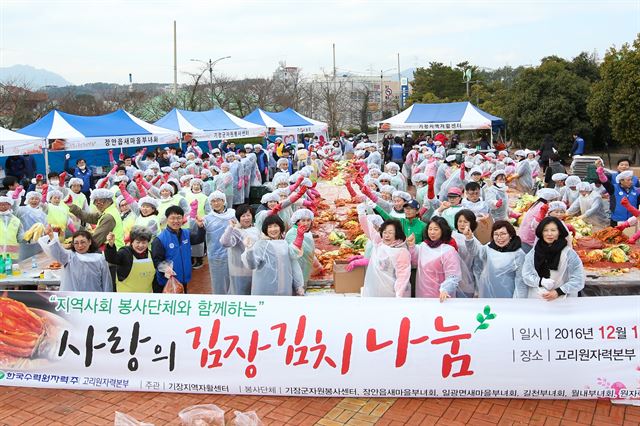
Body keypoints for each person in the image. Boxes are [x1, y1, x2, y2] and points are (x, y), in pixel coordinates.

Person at [518, 217, 585, 299]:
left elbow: (578, 279)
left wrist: (559, 291)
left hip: (563, 300)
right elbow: (526, 275)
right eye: (545, 230)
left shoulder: (569, 254)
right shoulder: (534, 253)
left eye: (553, 230)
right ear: (541, 232)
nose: (549, 234)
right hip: (538, 299)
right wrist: (540, 281)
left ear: (559, 232)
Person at [241, 214, 304, 296]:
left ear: (280, 228)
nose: (273, 229)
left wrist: (299, 285)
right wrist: (249, 250)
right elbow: (252, 265)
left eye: (275, 226)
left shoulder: (285, 244)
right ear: (265, 229)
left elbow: (294, 266)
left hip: (284, 289)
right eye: (269, 227)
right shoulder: (261, 245)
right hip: (264, 290)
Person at [37, 227, 112, 292]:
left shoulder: (100, 258)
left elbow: (106, 282)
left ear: (89, 242)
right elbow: (58, 252)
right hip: (73, 300)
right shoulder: (69, 257)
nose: (80, 246)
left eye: (83, 242)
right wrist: (51, 236)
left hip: (93, 300)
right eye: (76, 243)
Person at [151, 205, 206, 293]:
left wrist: (201, 228)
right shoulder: (160, 239)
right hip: (166, 282)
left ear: (182, 219)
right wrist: (165, 268)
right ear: (167, 219)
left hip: (183, 278)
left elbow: (198, 239)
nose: (176, 221)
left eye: (179, 218)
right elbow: (157, 261)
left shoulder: (186, 233)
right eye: (172, 218)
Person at [465, 220, 525, 298]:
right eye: (496, 234)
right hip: (486, 291)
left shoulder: (518, 254)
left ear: (510, 235)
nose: (499, 238)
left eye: (503, 234)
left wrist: (518, 301)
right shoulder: (489, 247)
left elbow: (520, 281)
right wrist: (469, 238)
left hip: (507, 295)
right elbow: (475, 252)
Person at [407, 216, 461, 301]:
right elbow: (414, 261)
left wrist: (445, 289)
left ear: (443, 230)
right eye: (430, 229)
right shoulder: (423, 246)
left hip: (442, 296)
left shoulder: (448, 250)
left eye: (436, 229)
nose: (432, 232)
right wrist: (411, 246)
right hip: (422, 293)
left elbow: (453, 275)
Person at [357, 215, 410, 297]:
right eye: (384, 232)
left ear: (397, 234)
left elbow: (403, 276)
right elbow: (369, 230)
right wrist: (361, 214)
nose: (386, 235)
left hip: (394, 293)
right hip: (378, 291)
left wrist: (399, 295)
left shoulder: (401, 251)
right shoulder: (379, 243)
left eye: (390, 233)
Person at [220, 204, 260, 295]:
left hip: (254, 269)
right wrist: (230, 228)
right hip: (240, 271)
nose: (246, 218)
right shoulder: (236, 232)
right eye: (243, 216)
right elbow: (224, 242)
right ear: (239, 218)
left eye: (248, 215)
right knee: (240, 297)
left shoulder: (256, 229)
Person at [202, 191, 236, 294]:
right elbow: (198, 233)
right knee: (218, 282)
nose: (216, 203)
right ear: (210, 204)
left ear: (224, 201)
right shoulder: (207, 218)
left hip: (232, 253)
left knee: (233, 281)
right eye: (213, 201)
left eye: (218, 200)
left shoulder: (232, 215)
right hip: (216, 256)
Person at [104, 227, 155, 293]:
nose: (140, 245)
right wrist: (111, 245)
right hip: (127, 299)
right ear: (132, 242)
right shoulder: (125, 252)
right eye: (138, 242)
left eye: (144, 243)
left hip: (145, 299)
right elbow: (112, 259)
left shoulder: (151, 255)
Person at [284, 208, 316, 286]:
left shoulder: (307, 232)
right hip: (298, 268)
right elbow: (293, 253)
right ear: (297, 221)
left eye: (308, 220)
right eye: (303, 220)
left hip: (306, 266)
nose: (306, 223)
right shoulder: (292, 234)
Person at [0, 195, 24, 261]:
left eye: (5, 204)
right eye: (0, 204)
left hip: (12, 256)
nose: (2, 206)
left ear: (10, 205)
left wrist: (28, 237)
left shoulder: (16, 220)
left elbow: (20, 237)